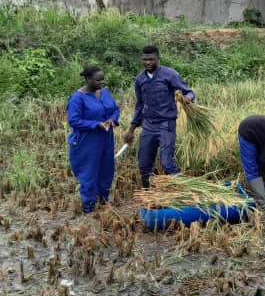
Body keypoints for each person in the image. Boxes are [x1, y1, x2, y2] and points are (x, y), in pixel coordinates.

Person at [124, 46, 195, 187]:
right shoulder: (139, 79)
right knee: (144, 164)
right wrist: (131, 130)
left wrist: (188, 98)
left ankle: (181, 192)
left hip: (166, 124)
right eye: (145, 59)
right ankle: (148, 195)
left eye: (151, 59)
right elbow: (139, 105)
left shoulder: (170, 74)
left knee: (167, 163)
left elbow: (189, 92)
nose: (148, 62)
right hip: (148, 125)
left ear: (158, 59)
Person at [66, 66, 120, 213]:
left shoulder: (104, 92)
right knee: (88, 172)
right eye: (98, 80)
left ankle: (103, 199)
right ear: (88, 79)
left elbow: (115, 108)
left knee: (106, 169)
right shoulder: (77, 98)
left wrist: (112, 120)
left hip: (106, 137)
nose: (102, 82)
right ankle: (89, 206)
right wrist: (96, 124)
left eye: (103, 79)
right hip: (87, 140)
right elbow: (73, 120)